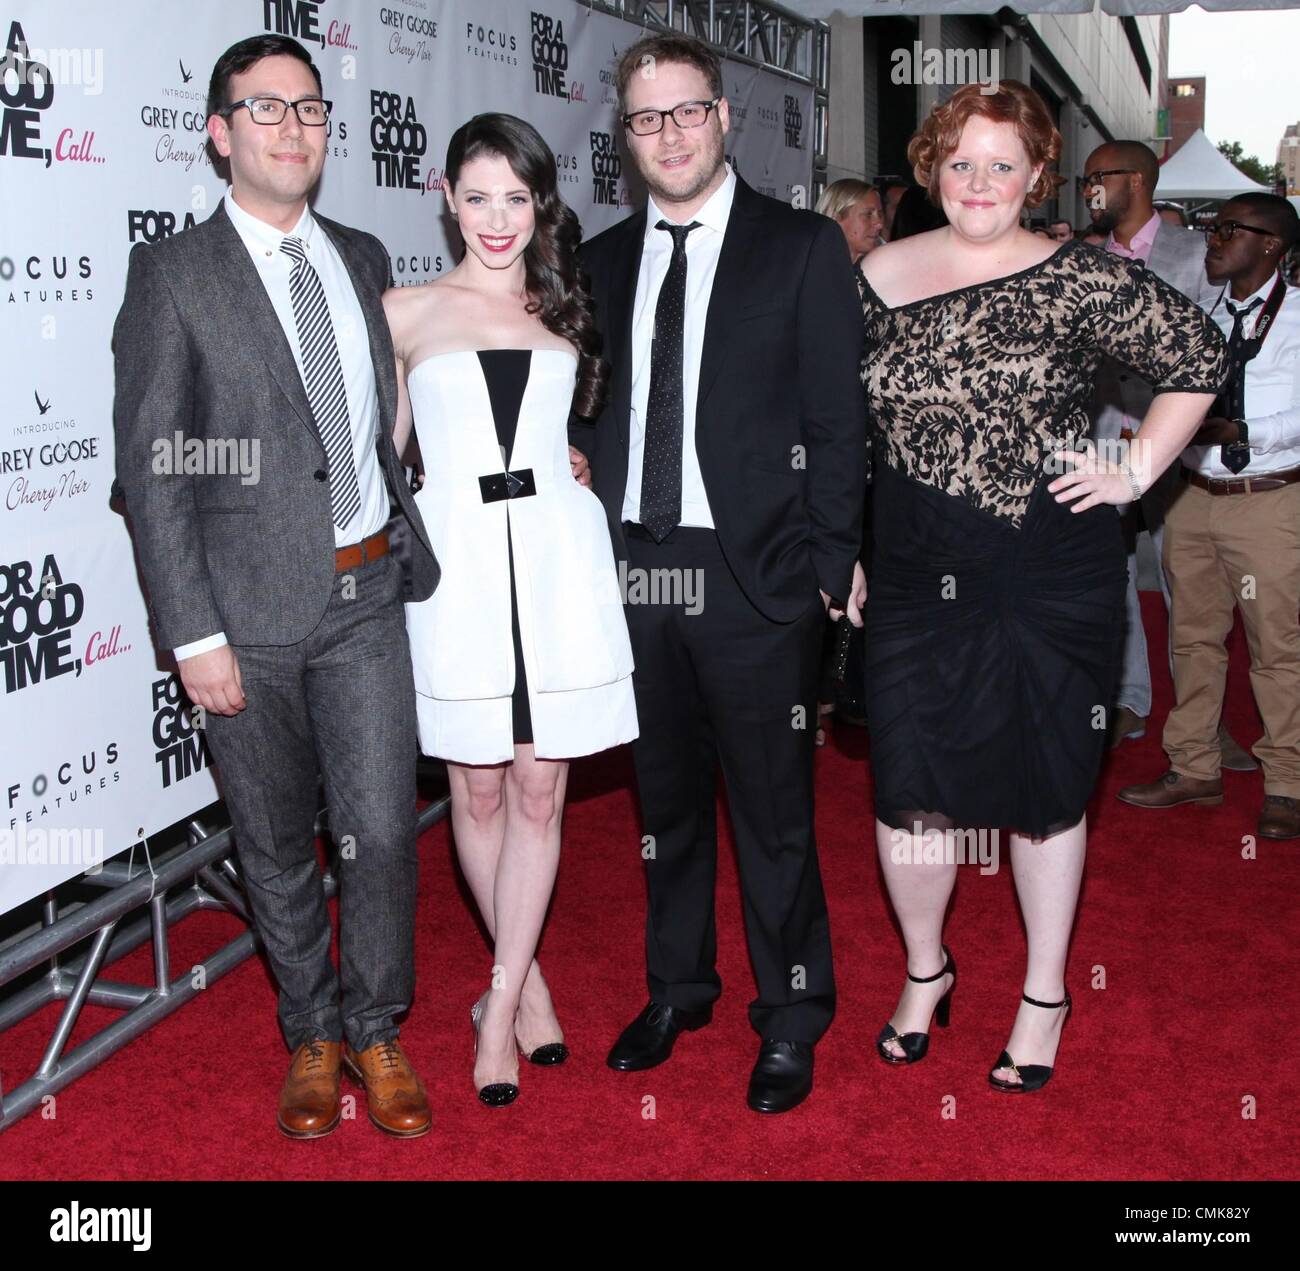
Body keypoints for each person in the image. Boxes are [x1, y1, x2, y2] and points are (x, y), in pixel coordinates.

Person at [859, 82, 1227, 1092]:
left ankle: (1043, 992)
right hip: (908, 566)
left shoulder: (1081, 277)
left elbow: (1197, 353)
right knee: (907, 796)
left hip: (1047, 564)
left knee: (1044, 790)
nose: (980, 182)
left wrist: (1137, 467)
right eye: (961, 161)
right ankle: (926, 970)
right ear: (932, 169)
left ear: (1034, 177)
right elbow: (841, 428)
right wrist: (841, 547)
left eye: (1002, 163)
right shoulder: (872, 275)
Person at [112, 34, 438, 1138]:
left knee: (383, 830)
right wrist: (189, 629)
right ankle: (311, 1029)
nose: (293, 128)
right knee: (270, 837)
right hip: (241, 617)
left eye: (309, 110)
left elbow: (374, 419)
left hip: (366, 596)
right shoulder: (173, 273)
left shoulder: (361, 250)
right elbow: (156, 465)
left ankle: (378, 1025)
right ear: (219, 133)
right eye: (266, 110)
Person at [574, 33, 866, 1114]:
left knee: (774, 809)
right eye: (648, 119)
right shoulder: (601, 261)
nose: (670, 135)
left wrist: (824, 562)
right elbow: (587, 414)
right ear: (627, 133)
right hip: (637, 570)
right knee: (663, 802)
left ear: (723, 114)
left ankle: (791, 1010)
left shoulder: (799, 247)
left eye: (687, 112)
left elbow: (840, 419)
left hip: (756, 576)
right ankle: (679, 985)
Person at [384, 114, 638, 1105]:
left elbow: (598, 429)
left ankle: (497, 1005)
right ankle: (521, 980)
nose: (497, 219)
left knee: (540, 790)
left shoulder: (566, 307)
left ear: (542, 205)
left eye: (517, 198)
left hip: (556, 560)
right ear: (445, 197)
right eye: (477, 196)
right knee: (476, 791)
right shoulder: (402, 312)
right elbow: (382, 466)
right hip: (456, 569)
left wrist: (576, 466)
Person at [1119, 194, 1300, 839]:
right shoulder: (1206, 315)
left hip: (1271, 502)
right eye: (1210, 227)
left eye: (1227, 229)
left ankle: (1287, 783)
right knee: (1193, 638)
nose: (1210, 240)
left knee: (1280, 648)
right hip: (1191, 498)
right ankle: (1193, 765)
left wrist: (1243, 430)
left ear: (1272, 245)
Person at [1083, 141, 1253, 768]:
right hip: (1100, 439)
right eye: (1084, 180)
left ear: (1137, 180)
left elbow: (1209, 352)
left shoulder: (1196, 255)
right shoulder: (1079, 258)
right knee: (1114, 575)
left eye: (1099, 179)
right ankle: (1128, 698)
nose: (1089, 191)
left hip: (1178, 445)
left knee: (1192, 586)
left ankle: (1204, 720)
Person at [815, 178, 885, 269]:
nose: (880, 224)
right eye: (868, 214)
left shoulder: (881, 268)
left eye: (880, 214)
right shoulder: (814, 270)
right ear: (835, 218)